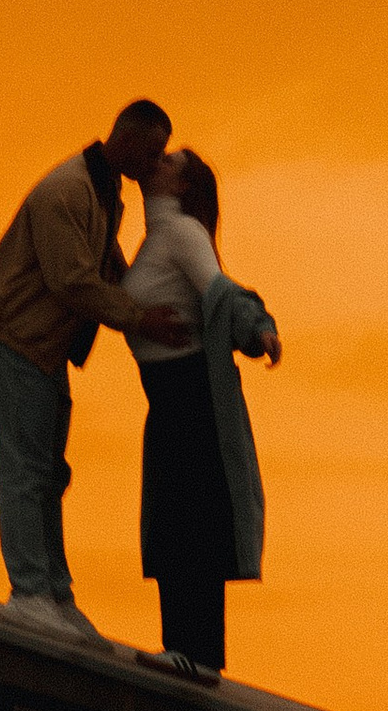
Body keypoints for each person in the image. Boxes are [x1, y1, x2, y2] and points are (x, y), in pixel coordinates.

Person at [0, 104, 184, 639]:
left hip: (43, 349)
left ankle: (55, 591)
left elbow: (103, 263)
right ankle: (29, 591)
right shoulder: (67, 193)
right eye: (155, 153)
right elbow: (72, 281)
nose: (157, 163)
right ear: (132, 144)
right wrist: (139, 317)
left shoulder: (100, 188)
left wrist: (144, 289)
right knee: (25, 472)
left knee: (49, 473)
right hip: (17, 343)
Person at [117, 146, 280, 675]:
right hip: (165, 396)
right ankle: (184, 650)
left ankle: (199, 654)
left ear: (182, 187)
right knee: (173, 517)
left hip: (191, 393)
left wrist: (257, 327)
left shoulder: (184, 234)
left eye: (167, 162)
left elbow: (221, 290)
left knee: (191, 517)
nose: (156, 162)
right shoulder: (155, 240)